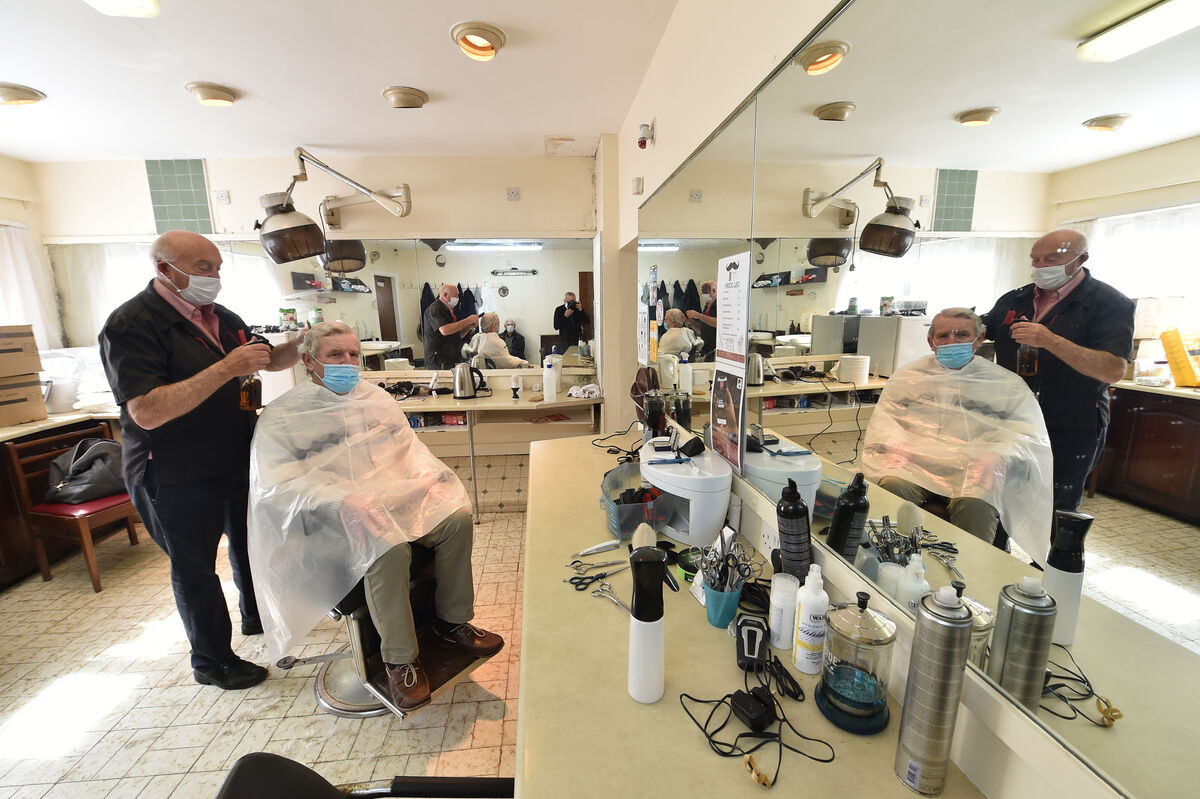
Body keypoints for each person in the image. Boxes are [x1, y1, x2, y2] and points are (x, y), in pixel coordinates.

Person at [248, 322, 504, 709]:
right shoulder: (284, 416)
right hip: (325, 521)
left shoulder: (375, 399)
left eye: (353, 354)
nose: (348, 363)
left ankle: (452, 623)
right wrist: (340, 501)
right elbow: (278, 485)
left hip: (389, 503)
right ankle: (400, 661)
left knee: (456, 519)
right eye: (336, 355)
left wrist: (427, 479)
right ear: (308, 361)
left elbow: (409, 453)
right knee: (387, 548)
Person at [99, 230, 302, 690]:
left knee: (250, 544)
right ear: (165, 270)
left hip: (233, 456)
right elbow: (147, 410)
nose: (214, 278)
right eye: (203, 268)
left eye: (217, 268)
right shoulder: (131, 324)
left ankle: (256, 616)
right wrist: (227, 368)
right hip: (173, 470)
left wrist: (302, 345)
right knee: (194, 566)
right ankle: (212, 662)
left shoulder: (220, 316)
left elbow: (265, 358)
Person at [862, 308, 1053, 559]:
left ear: (979, 338)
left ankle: (969, 572)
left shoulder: (1006, 384)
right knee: (891, 487)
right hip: (914, 465)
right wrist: (895, 444)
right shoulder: (908, 378)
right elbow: (886, 421)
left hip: (974, 468)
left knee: (978, 503)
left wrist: (998, 454)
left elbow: (1025, 433)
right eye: (943, 336)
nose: (952, 342)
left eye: (962, 335)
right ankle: (889, 559)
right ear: (931, 342)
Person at [982, 229, 1134, 512]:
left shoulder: (1109, 304)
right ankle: (996, 556)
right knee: (998, 502)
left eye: (1051, 259)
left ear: (1081, 259)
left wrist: (1049, 340)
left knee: (1056, 508)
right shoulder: (1015, 299)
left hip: (1070, 424)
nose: (1040, 267)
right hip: (1012, 420)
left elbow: (1113, 369)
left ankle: (1054, 558)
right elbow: (983, 327)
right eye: (1035, 259)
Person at [422, 284, 479, 370]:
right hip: (438, 360)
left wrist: (469, 326)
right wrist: (467, 320)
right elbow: (445, 330)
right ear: (445, 295)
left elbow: (458, 335)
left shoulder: (449, 311)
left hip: (450, 357)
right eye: (456, 294)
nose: (458, 297)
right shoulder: (435, 309)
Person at [685, 280, 718, 358]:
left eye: (706, 290)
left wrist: (698, 315)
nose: (703, 294)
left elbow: (718, 323)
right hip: (706, 348)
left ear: (714, 290)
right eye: (702, 291)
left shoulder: (719, 304)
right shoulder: (707, 306)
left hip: (715, 348)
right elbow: (701, 330)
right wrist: (691, 322)